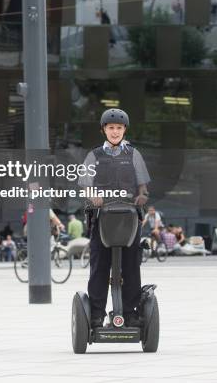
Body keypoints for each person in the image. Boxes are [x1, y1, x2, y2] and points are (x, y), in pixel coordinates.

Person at [78, 108, 150, 329]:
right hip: (102, 219)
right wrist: (94, 197)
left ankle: (130, 314)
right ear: (104, 130)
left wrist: (141, 199)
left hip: (129, 220)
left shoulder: (134, 155)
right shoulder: (94, 155)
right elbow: (84, 185)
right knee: (100, 265)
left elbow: (143, 188)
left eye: (119, 128)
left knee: (131, 266)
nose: (115, 131)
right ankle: (97, 315)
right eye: (111, 128)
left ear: (124, 129)